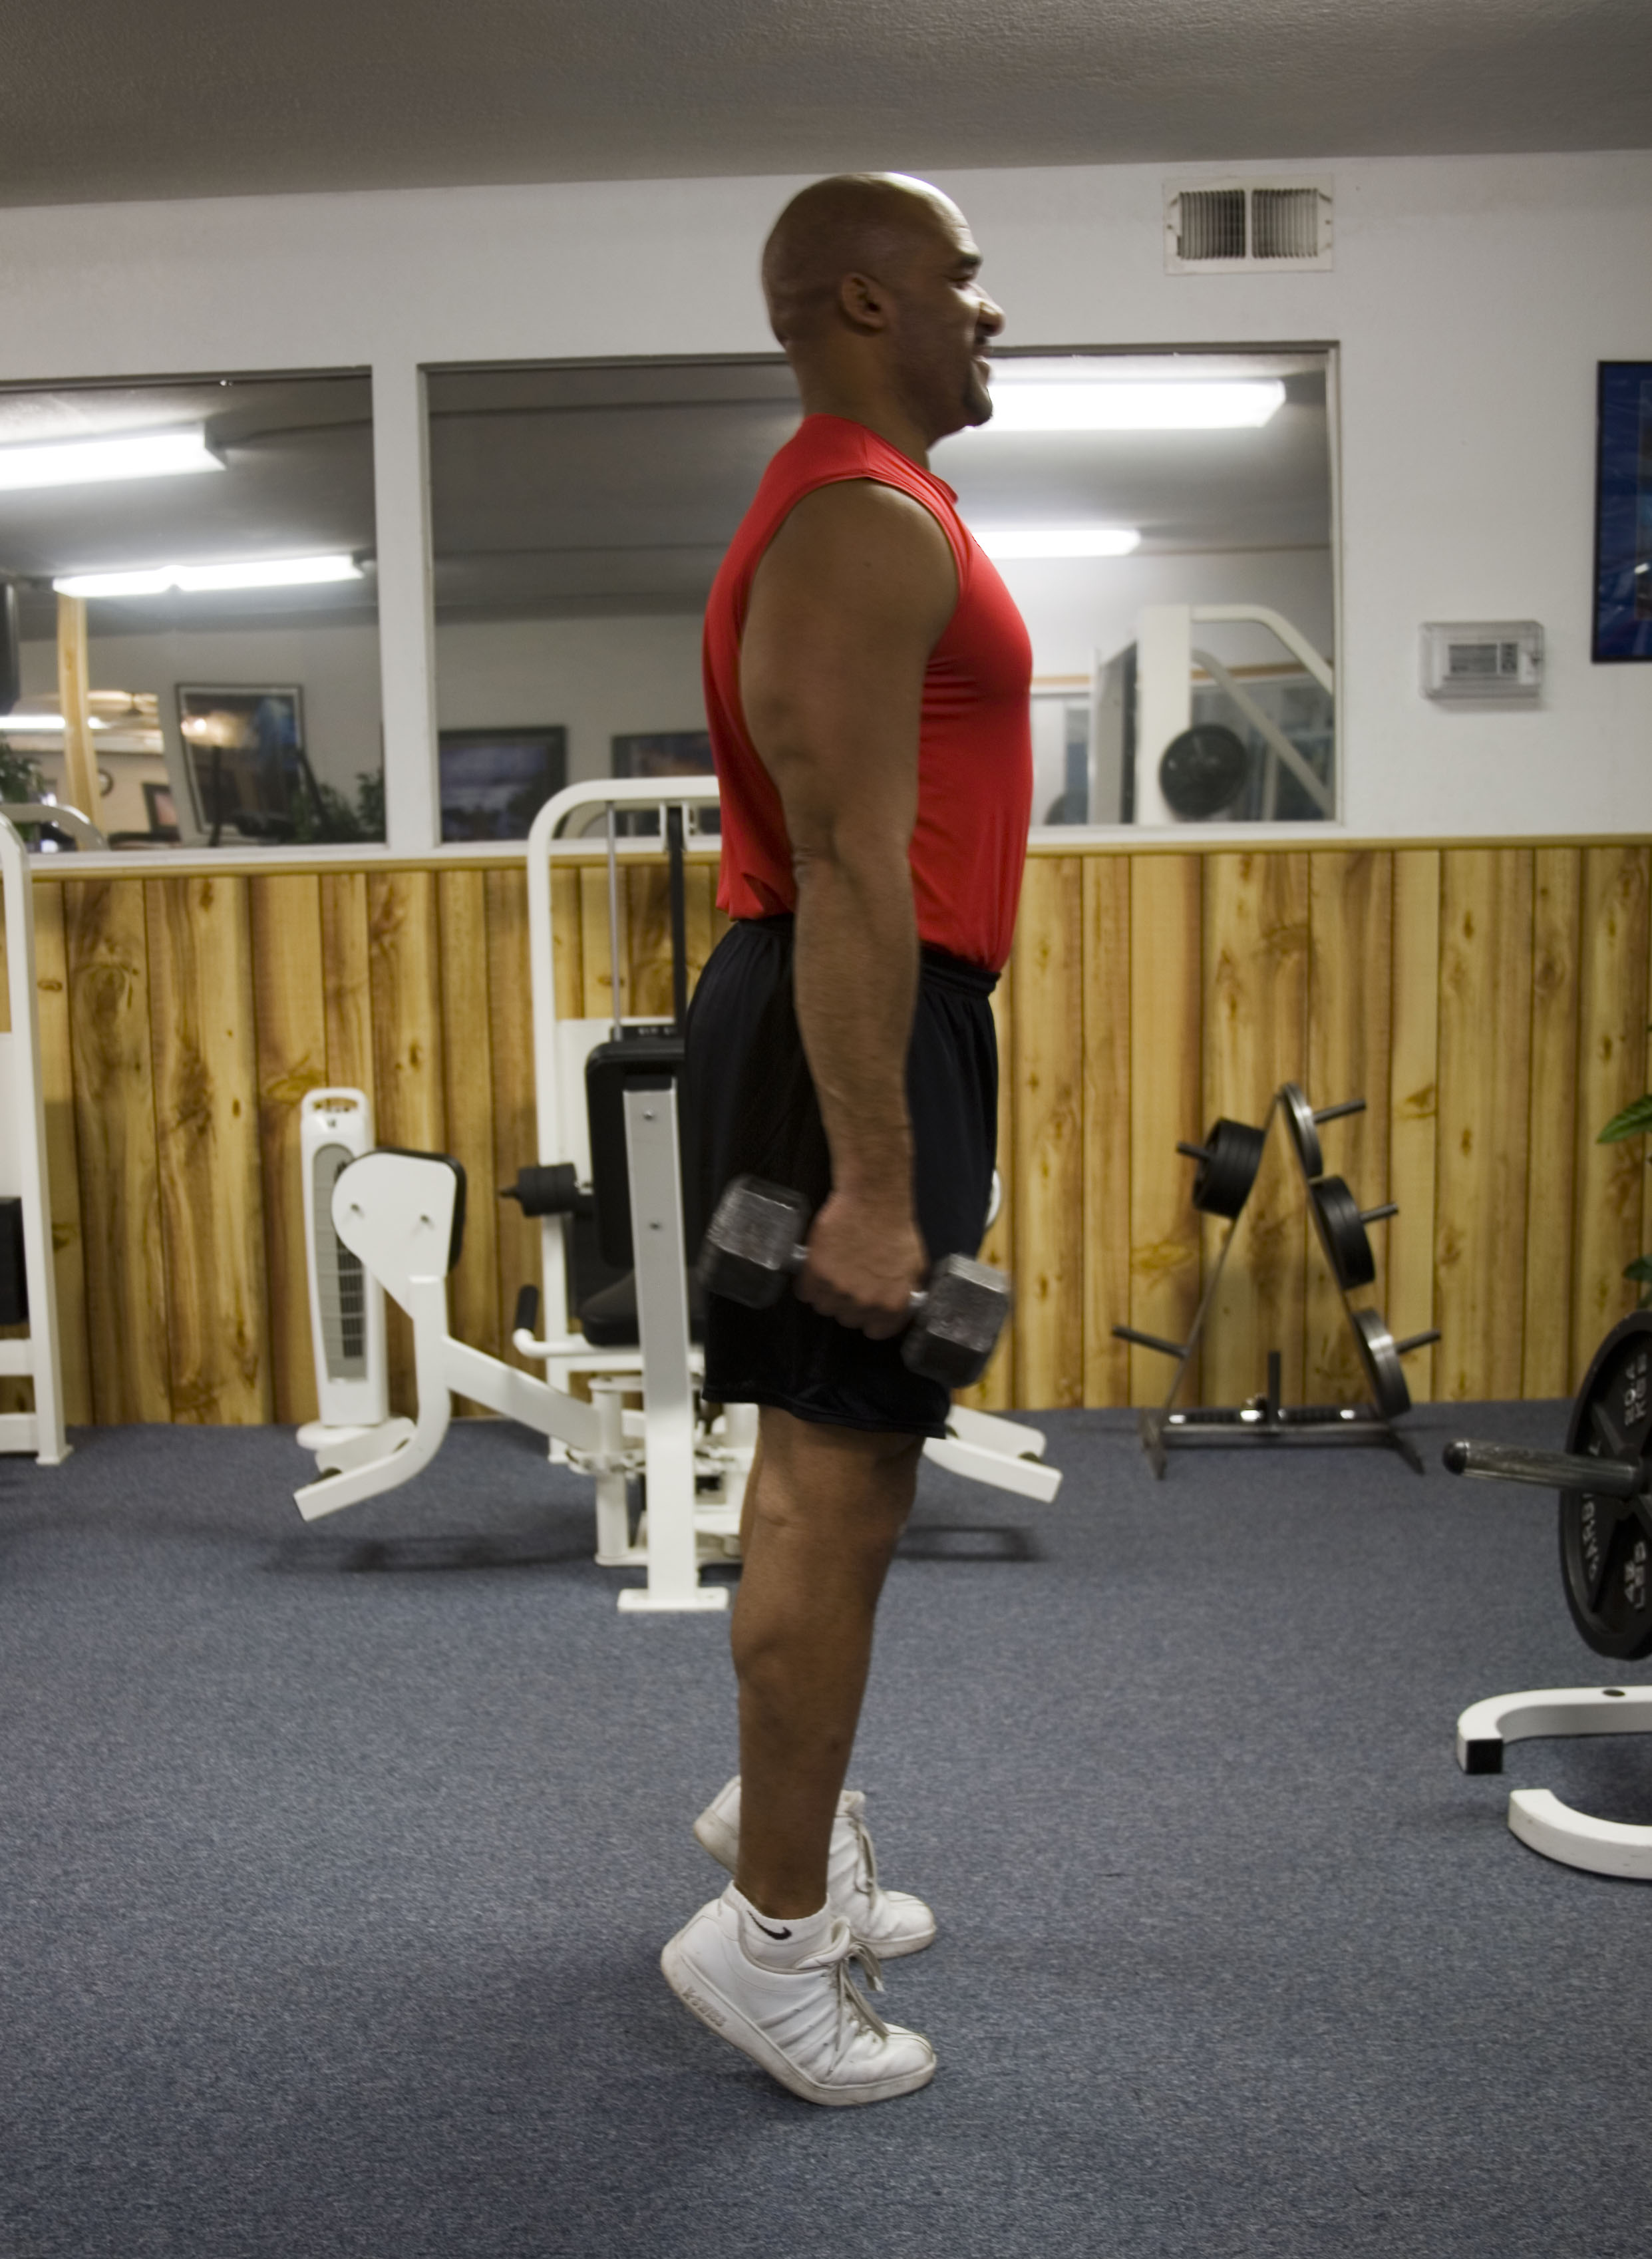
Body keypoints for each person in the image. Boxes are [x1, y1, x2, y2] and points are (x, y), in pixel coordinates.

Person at [665, 172, 1033, 2107]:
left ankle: (777, 1821)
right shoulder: (856, 521)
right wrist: (877, 1183)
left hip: (876, 1016)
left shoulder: (881, 506)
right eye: (963, 280)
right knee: (838, 1482)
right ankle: (772, 1944)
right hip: (847, 1022)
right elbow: (839, 858)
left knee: (838, 1467)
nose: (992, 310)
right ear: (867, 302)